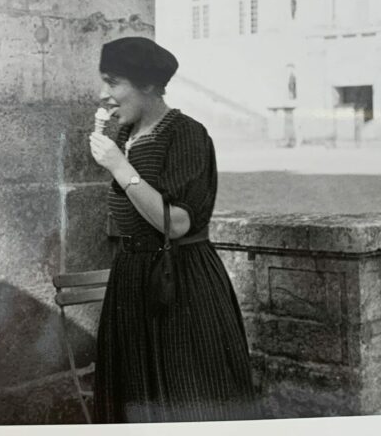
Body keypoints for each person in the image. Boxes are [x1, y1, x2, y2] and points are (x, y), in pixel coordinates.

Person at [88, 37, 260, 423]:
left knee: (187, 397)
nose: (104, 95)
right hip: (132, 281)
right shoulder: (125, 136)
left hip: (178, 284)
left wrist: (119, 167)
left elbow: (177, 223)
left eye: (113, 82)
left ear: (147, 85)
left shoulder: (185, 134)